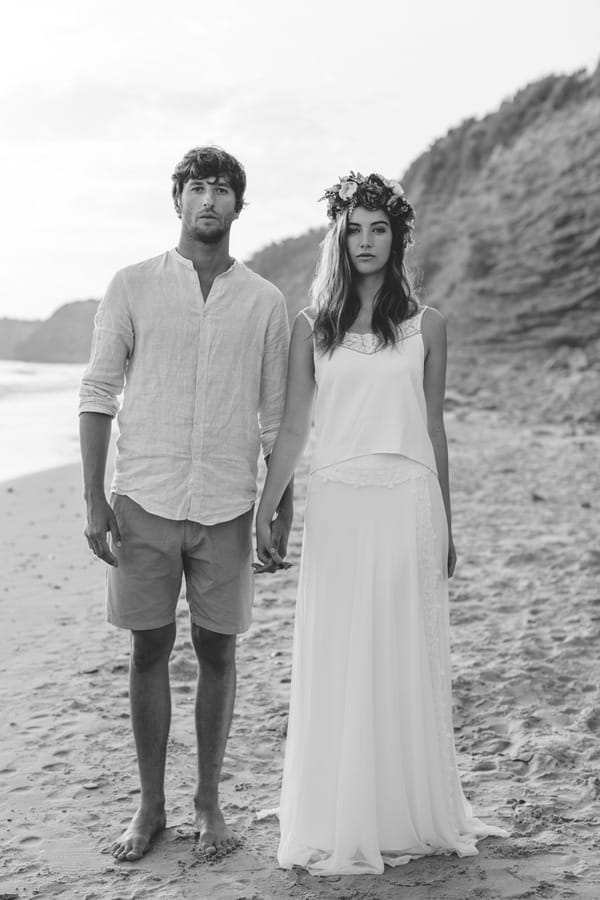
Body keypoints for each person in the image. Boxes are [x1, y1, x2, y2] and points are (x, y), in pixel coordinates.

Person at [256, 172, 508, 875]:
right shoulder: (312, 326)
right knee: (341, 653)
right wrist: (267, 505)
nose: (365, 241)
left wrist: (448, 522)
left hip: (408, 501)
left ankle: (404, 809)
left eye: (378, 228)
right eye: (354, 228)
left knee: (401, 651)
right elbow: (297, 424)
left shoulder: (429, 324)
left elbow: (433, 426)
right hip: (338, 501)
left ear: (397, 238)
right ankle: (341, 808)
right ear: (339, 236)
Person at [79, 146, 292, 862]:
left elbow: (274, 417)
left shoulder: (264, 301)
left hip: (228, 502)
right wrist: (93, 500)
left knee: (218, 652)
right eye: (197, 187)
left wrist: (277, 504)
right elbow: (98, 393)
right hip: (145, 495)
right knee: (149, 649)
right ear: (177, 200)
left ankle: (208, 800)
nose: (209, 200)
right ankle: (150, 806)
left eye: (223, 190)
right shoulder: (133, 285)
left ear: (238, 206)